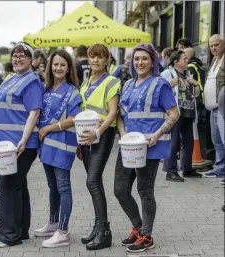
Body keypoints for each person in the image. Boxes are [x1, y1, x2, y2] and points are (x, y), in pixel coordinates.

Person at [114, 43, 179, 253]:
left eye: (144, 58)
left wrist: (157, 135)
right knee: (120, 190)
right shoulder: (128, 85)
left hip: (150, 147)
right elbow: (120, 116)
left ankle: (147, 236)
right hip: (128, 146)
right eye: (136, 59)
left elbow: (174, 113)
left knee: (144, 190)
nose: (139, 62)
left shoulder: (160, 84)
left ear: (152, 62)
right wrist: (122, 134)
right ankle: (138, 225)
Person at [0, 42, 44, 248]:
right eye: (15, 56)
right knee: (18, 185)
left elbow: (34, 112)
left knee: (7, 185)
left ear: (31, 60)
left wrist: (23, 139)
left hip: (21, 145)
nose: (18, 59)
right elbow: (1, 110)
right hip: (4, 144)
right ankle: (20, 230)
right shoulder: (11, 79)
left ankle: (8, 235)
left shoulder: (31, 81)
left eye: (22, 55)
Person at [34, 50, 82, 248]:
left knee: (63, 187)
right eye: (55, 64)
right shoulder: (45, 89)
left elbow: (73, 119)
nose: (59, 68)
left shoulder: (72, 92)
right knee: (52, 187)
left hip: (62, 145)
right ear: (49, 67)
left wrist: (48, 128)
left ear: (69, 67)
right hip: (46, 146)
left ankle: (63, 231)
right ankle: (53, 223)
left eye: (63, 64)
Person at [78, 43, 121, 250]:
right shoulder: (86, 82)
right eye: (92, 57)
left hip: (102, 135)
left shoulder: (111, 81)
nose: (95, 60)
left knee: (92, 180)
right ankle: (98, 227)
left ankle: (104, 232)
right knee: (93, 183)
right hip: (86, 138)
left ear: (107, 60)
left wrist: (98, 132)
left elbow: (113, 113)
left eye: (100, 57)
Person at [161, 50, 202, 182]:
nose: (187, 60)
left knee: (188, 141)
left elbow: (195, 94)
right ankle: (171, 171)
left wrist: (195, 84)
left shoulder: (188, 74)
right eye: (184, 59)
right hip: (175, 113)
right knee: (173, 142)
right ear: (176, 62)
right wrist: (169, 84)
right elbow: (158, 90)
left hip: (188, 111)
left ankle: (187, 168)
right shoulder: (167, 73)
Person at [203, 34, 224, 178]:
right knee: (217, 141)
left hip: (222, 108)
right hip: (212, 108)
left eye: (216, 45)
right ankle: (220, 168)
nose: (213, 48)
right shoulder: (214, 60)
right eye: (211, 46)